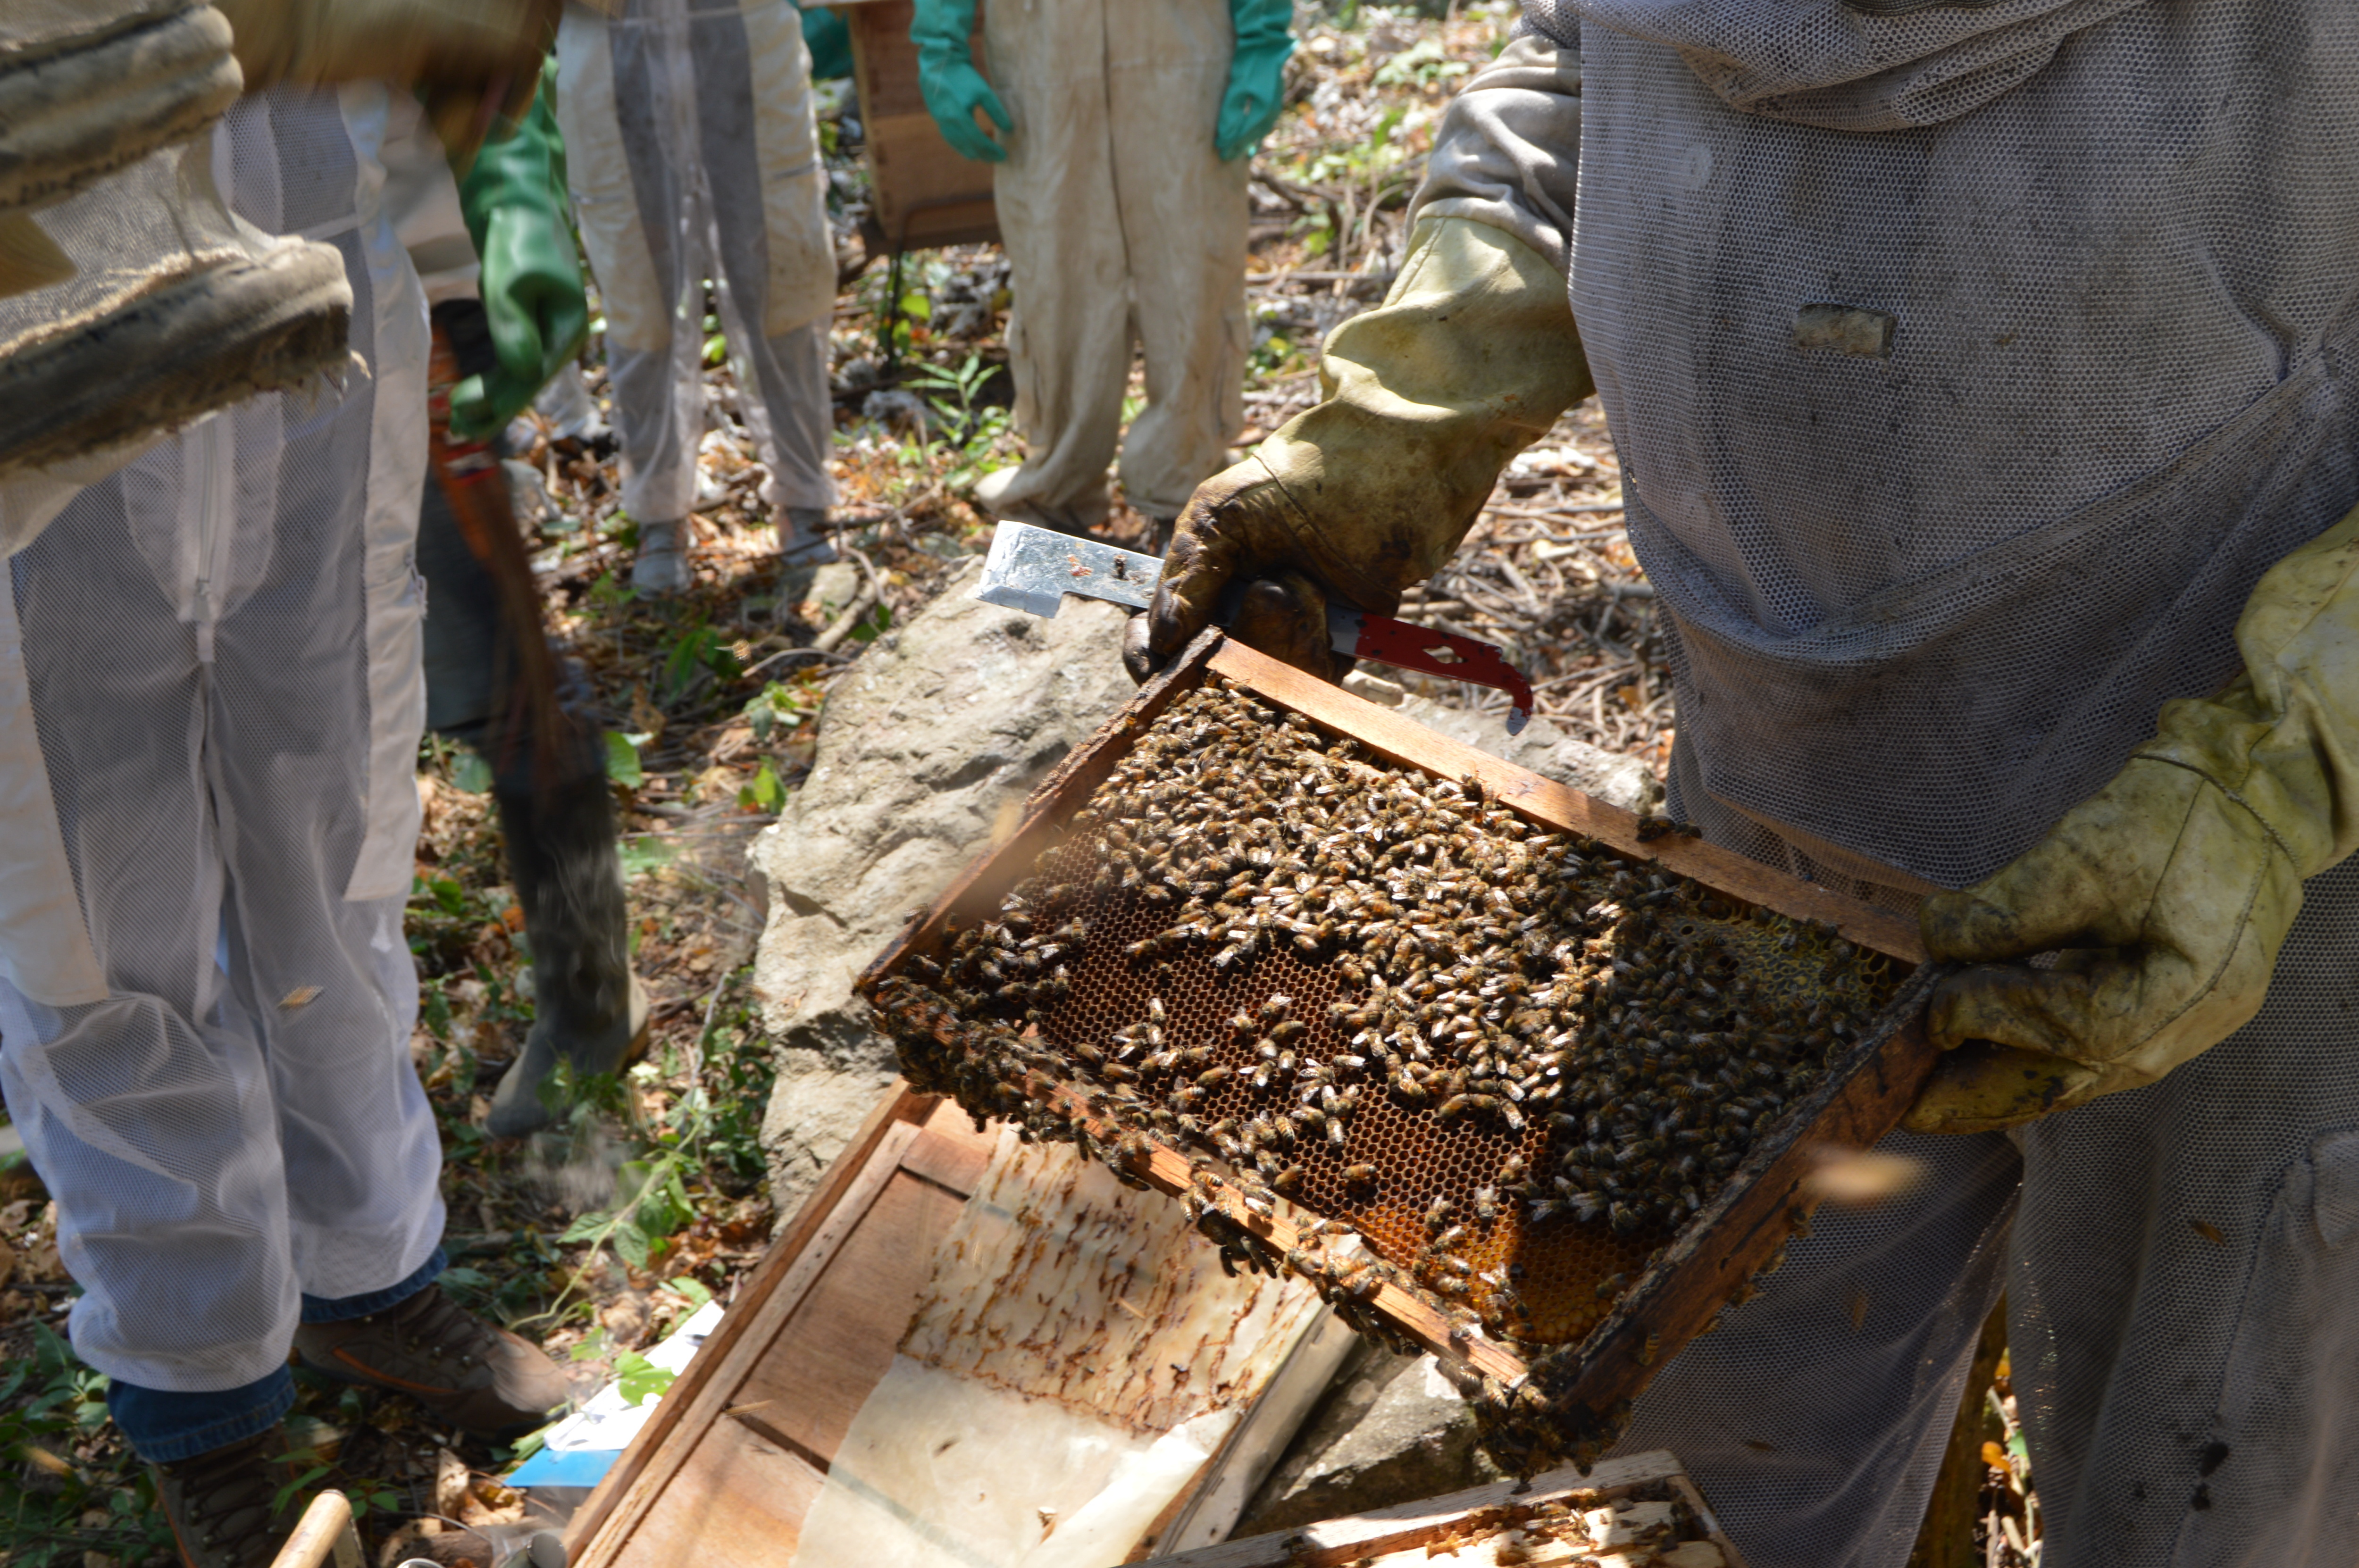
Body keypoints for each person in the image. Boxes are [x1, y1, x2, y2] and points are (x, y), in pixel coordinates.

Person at [1131, 8, 2359, 1568]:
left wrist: (2277, 772)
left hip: (2256, 895)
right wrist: (1410, 412)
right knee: (1706, 1479)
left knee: (2218, 1504)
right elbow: (1600, 72)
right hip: (1777, 839)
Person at [0, 11, 576, 1564]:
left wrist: (449, 267)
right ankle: (200, 1391)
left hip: (311, 286)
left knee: (330, 824)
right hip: (38, 338)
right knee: (97, 899)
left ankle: (371, 1279)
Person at [382, 65, 648, 1136]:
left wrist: (510, 182)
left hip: (403, 306)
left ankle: (591, 1004)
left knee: (503, 676)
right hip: (171, 329)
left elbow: (473, 38)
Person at [911, 0, 1292, 542]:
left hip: (1186, 67)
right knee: (1057, 281)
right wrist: (941, 49)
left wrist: (1262, 45)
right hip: (1042, 73)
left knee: (1191, 277)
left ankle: (1183, 493)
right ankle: (1057, 489)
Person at [551, 0, 841, 596]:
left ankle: (804, 499)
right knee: (639, 292)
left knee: (780, 273)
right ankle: (660, 517)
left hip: (745, 36)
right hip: (609, 48)